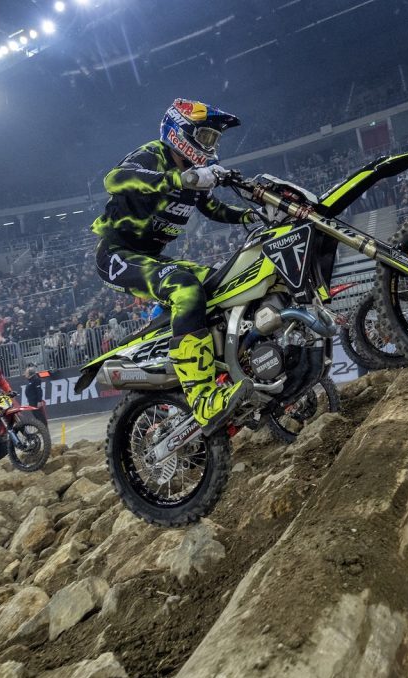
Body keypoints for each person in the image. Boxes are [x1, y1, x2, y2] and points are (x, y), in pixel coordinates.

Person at [91, 99, 258, 434]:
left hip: (152, 258)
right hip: (117, 255)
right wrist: (180, 179)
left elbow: (212, 209)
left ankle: (232, 370)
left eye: (214, 139)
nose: (211, 145)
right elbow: (114, 179)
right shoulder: (153, 155)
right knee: (186, 289)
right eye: (206, 136)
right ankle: (202, 398)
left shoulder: (194, 172)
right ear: (180, 132)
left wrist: (249, 215)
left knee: (224, 282)